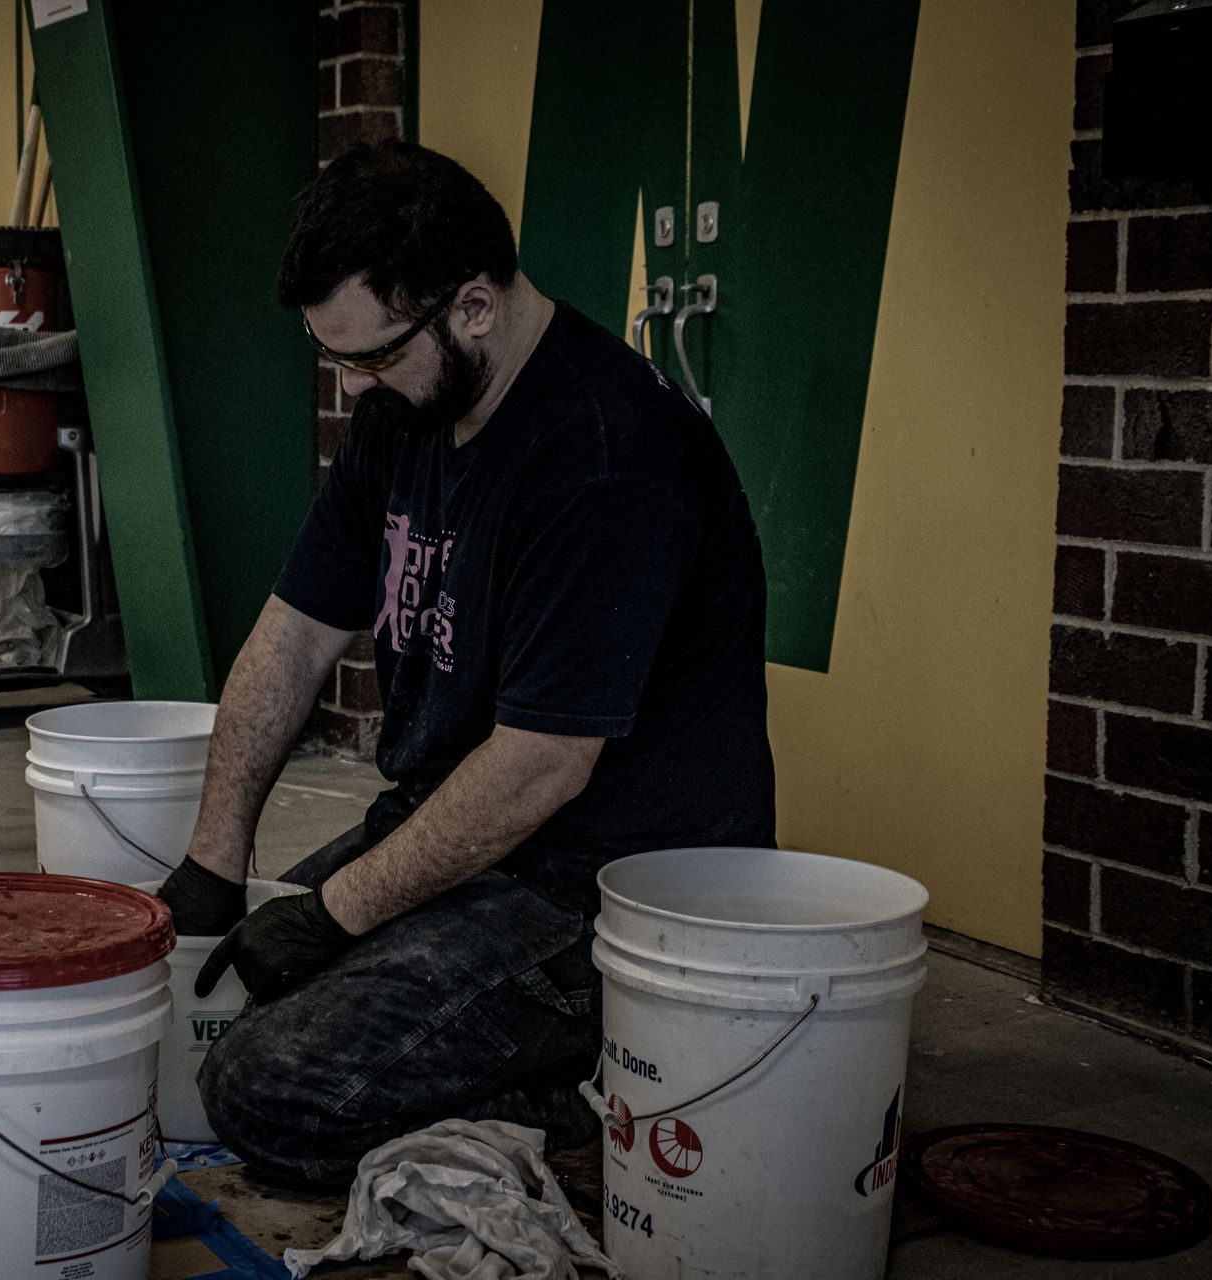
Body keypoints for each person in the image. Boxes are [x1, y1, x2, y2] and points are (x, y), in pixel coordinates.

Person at [156, 140, 776, 1188]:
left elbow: (542, 765)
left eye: (373, 357)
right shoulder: (407, 410)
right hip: (464, 830)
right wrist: (215, 864)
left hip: (597, 891)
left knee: (267, 1086)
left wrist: (336, 912)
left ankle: (608, 1090)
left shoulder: (607, 458)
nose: (354, 385)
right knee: (224, 983)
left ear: (475, 306)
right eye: (334, 356)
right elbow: (295, 633)